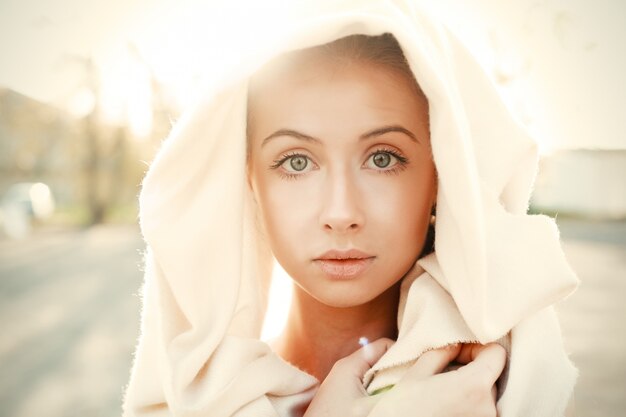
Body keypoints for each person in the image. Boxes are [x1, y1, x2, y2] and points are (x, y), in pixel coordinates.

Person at [123, 1, 578, 416]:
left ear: (444, 178)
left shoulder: (500, 389)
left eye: (383, 158)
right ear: (249, 181)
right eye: (296, 162)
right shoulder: (194, 401)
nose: (341, 213)